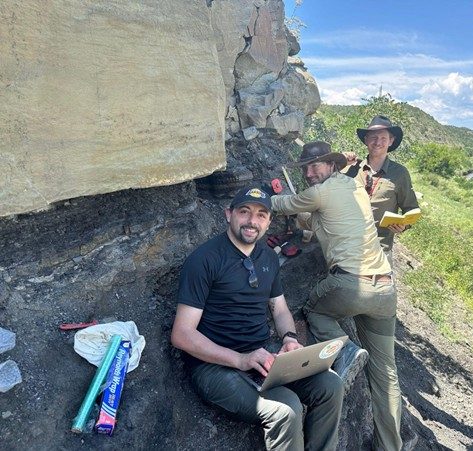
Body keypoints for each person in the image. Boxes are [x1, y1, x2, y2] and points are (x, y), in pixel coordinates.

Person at [171, 184, 344, 451]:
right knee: (287, 409)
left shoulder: (268, 258)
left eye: (261, 215)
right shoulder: (205, 259)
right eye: (244, 211)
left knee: (330, 385)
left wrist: (289, 339)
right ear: (229, 214)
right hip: (214, 366)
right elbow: (182, 334)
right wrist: (240, 359)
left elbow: (280, 309)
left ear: (269, 222)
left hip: (261, 358)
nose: (252, 221)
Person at [271, 142, 404, 451]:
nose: (308, 172)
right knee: (386, 373)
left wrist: (263, 195)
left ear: (331, 165)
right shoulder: (354, 186)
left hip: (350, 286)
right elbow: (324, 218)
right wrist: (307, 222)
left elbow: (283, 204)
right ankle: (390, 446)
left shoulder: (319, 193)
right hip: (385, 288)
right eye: (305, 168)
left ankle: (346, 351)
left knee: (315, 311)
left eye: (315, 165)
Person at [344, 115, 419, 264]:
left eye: (383, 138)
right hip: (347, 241)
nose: (378, 142)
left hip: (379, 247)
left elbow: (411, 208)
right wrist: (339, 161)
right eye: (373, 137)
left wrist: (404, 225)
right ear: (366, 139)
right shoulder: (351, 168)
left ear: (391, 141)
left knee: (381, 279)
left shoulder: (400, 173)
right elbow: (326, 187)